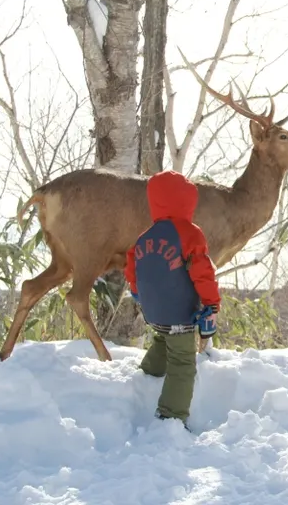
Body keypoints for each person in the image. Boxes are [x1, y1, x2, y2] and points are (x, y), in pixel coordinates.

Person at [124, 170, 221, 428]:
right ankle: (171, 416)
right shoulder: (190, 233)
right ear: (188, 200)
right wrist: (212, 302)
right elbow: (203, 273)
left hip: (154, 312)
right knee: (182, 361)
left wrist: (138, 293)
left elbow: (131, 269)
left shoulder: (144, 236)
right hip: (179, 312)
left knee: (162, 339)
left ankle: (147, 376)